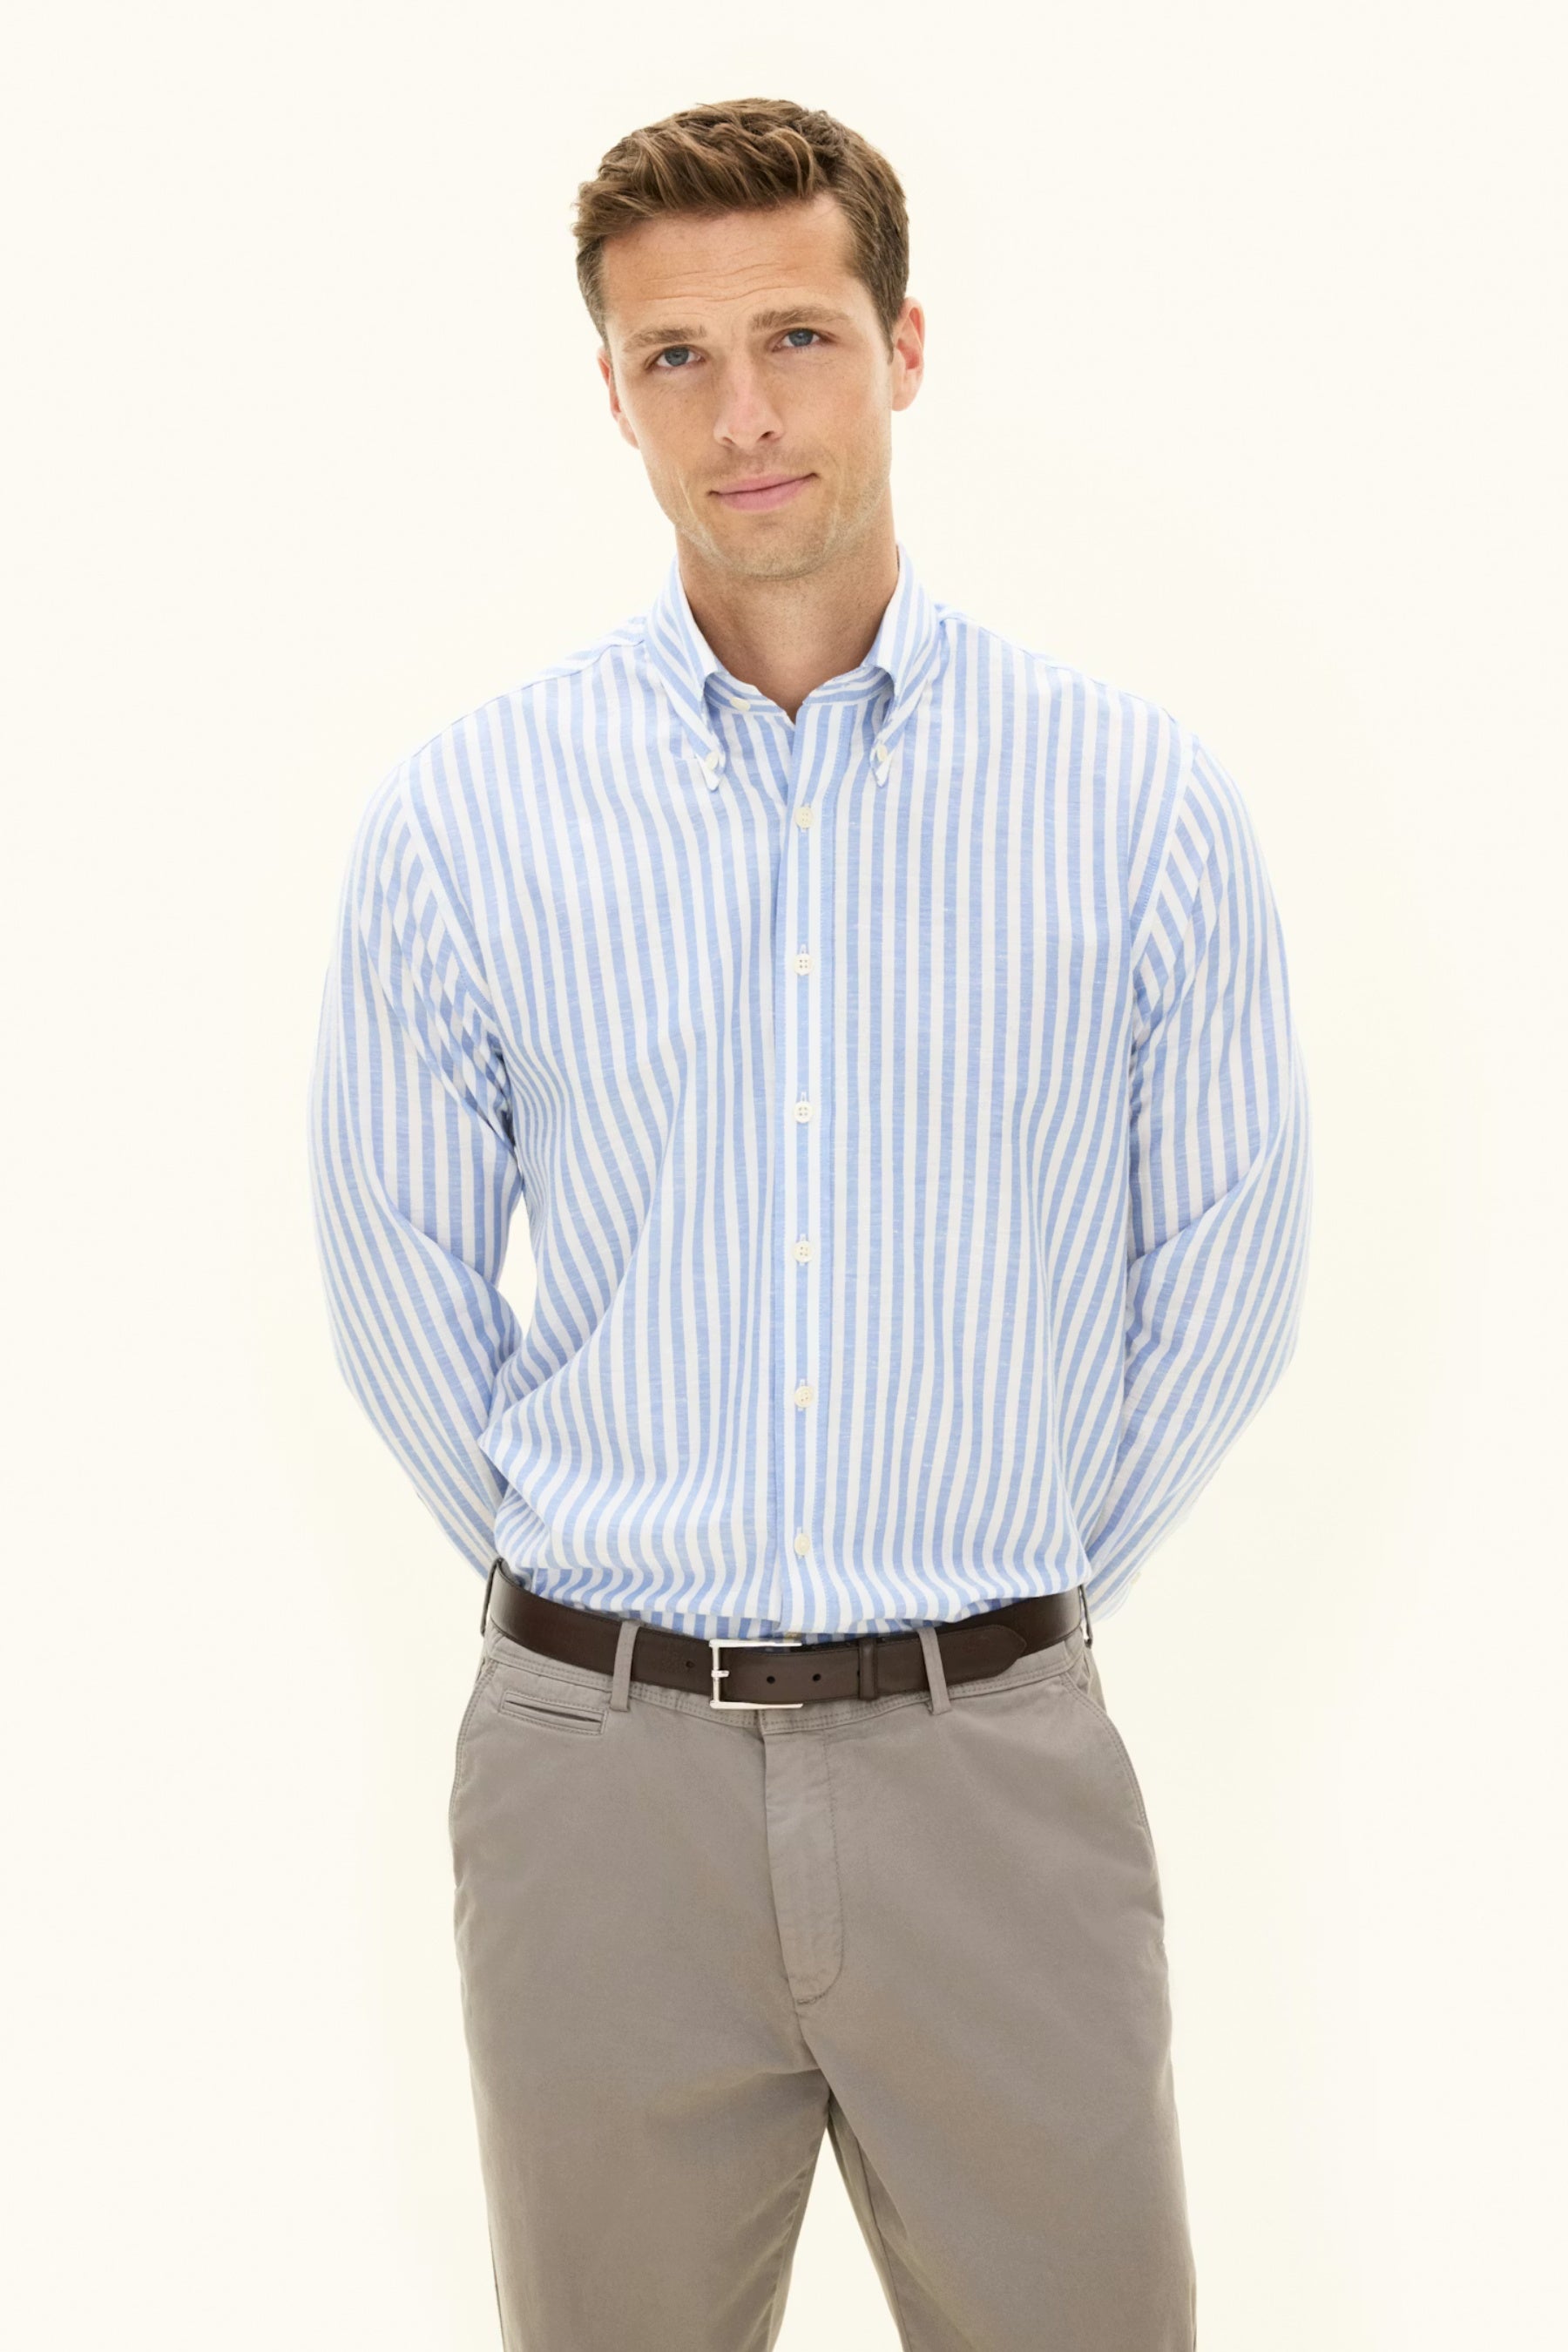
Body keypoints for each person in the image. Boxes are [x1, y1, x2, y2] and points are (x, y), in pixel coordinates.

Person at [308, 94, 1312, 2352]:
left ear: (904, 346)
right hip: (598, 1792)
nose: (742, 413)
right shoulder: (467, 821)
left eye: (796, 338)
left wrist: (1003, 1594)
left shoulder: (1132, 801)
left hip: (997, 1768)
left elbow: (1227, 1272)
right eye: (675, 356)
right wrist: (593, 1591)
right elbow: (398, 1283)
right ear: (611, 392)